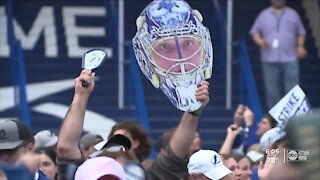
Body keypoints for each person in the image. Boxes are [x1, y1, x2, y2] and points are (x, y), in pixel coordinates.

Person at [250, 0, 307, 109]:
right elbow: (254, 32)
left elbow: (301, 32)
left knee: (293, 90)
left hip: (290, 57)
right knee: (272, 91)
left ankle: (292, 119)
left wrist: (300, 46)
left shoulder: (293, 14)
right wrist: (260, 41)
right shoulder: (264, 15)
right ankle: (275, 121)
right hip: (269, 58)